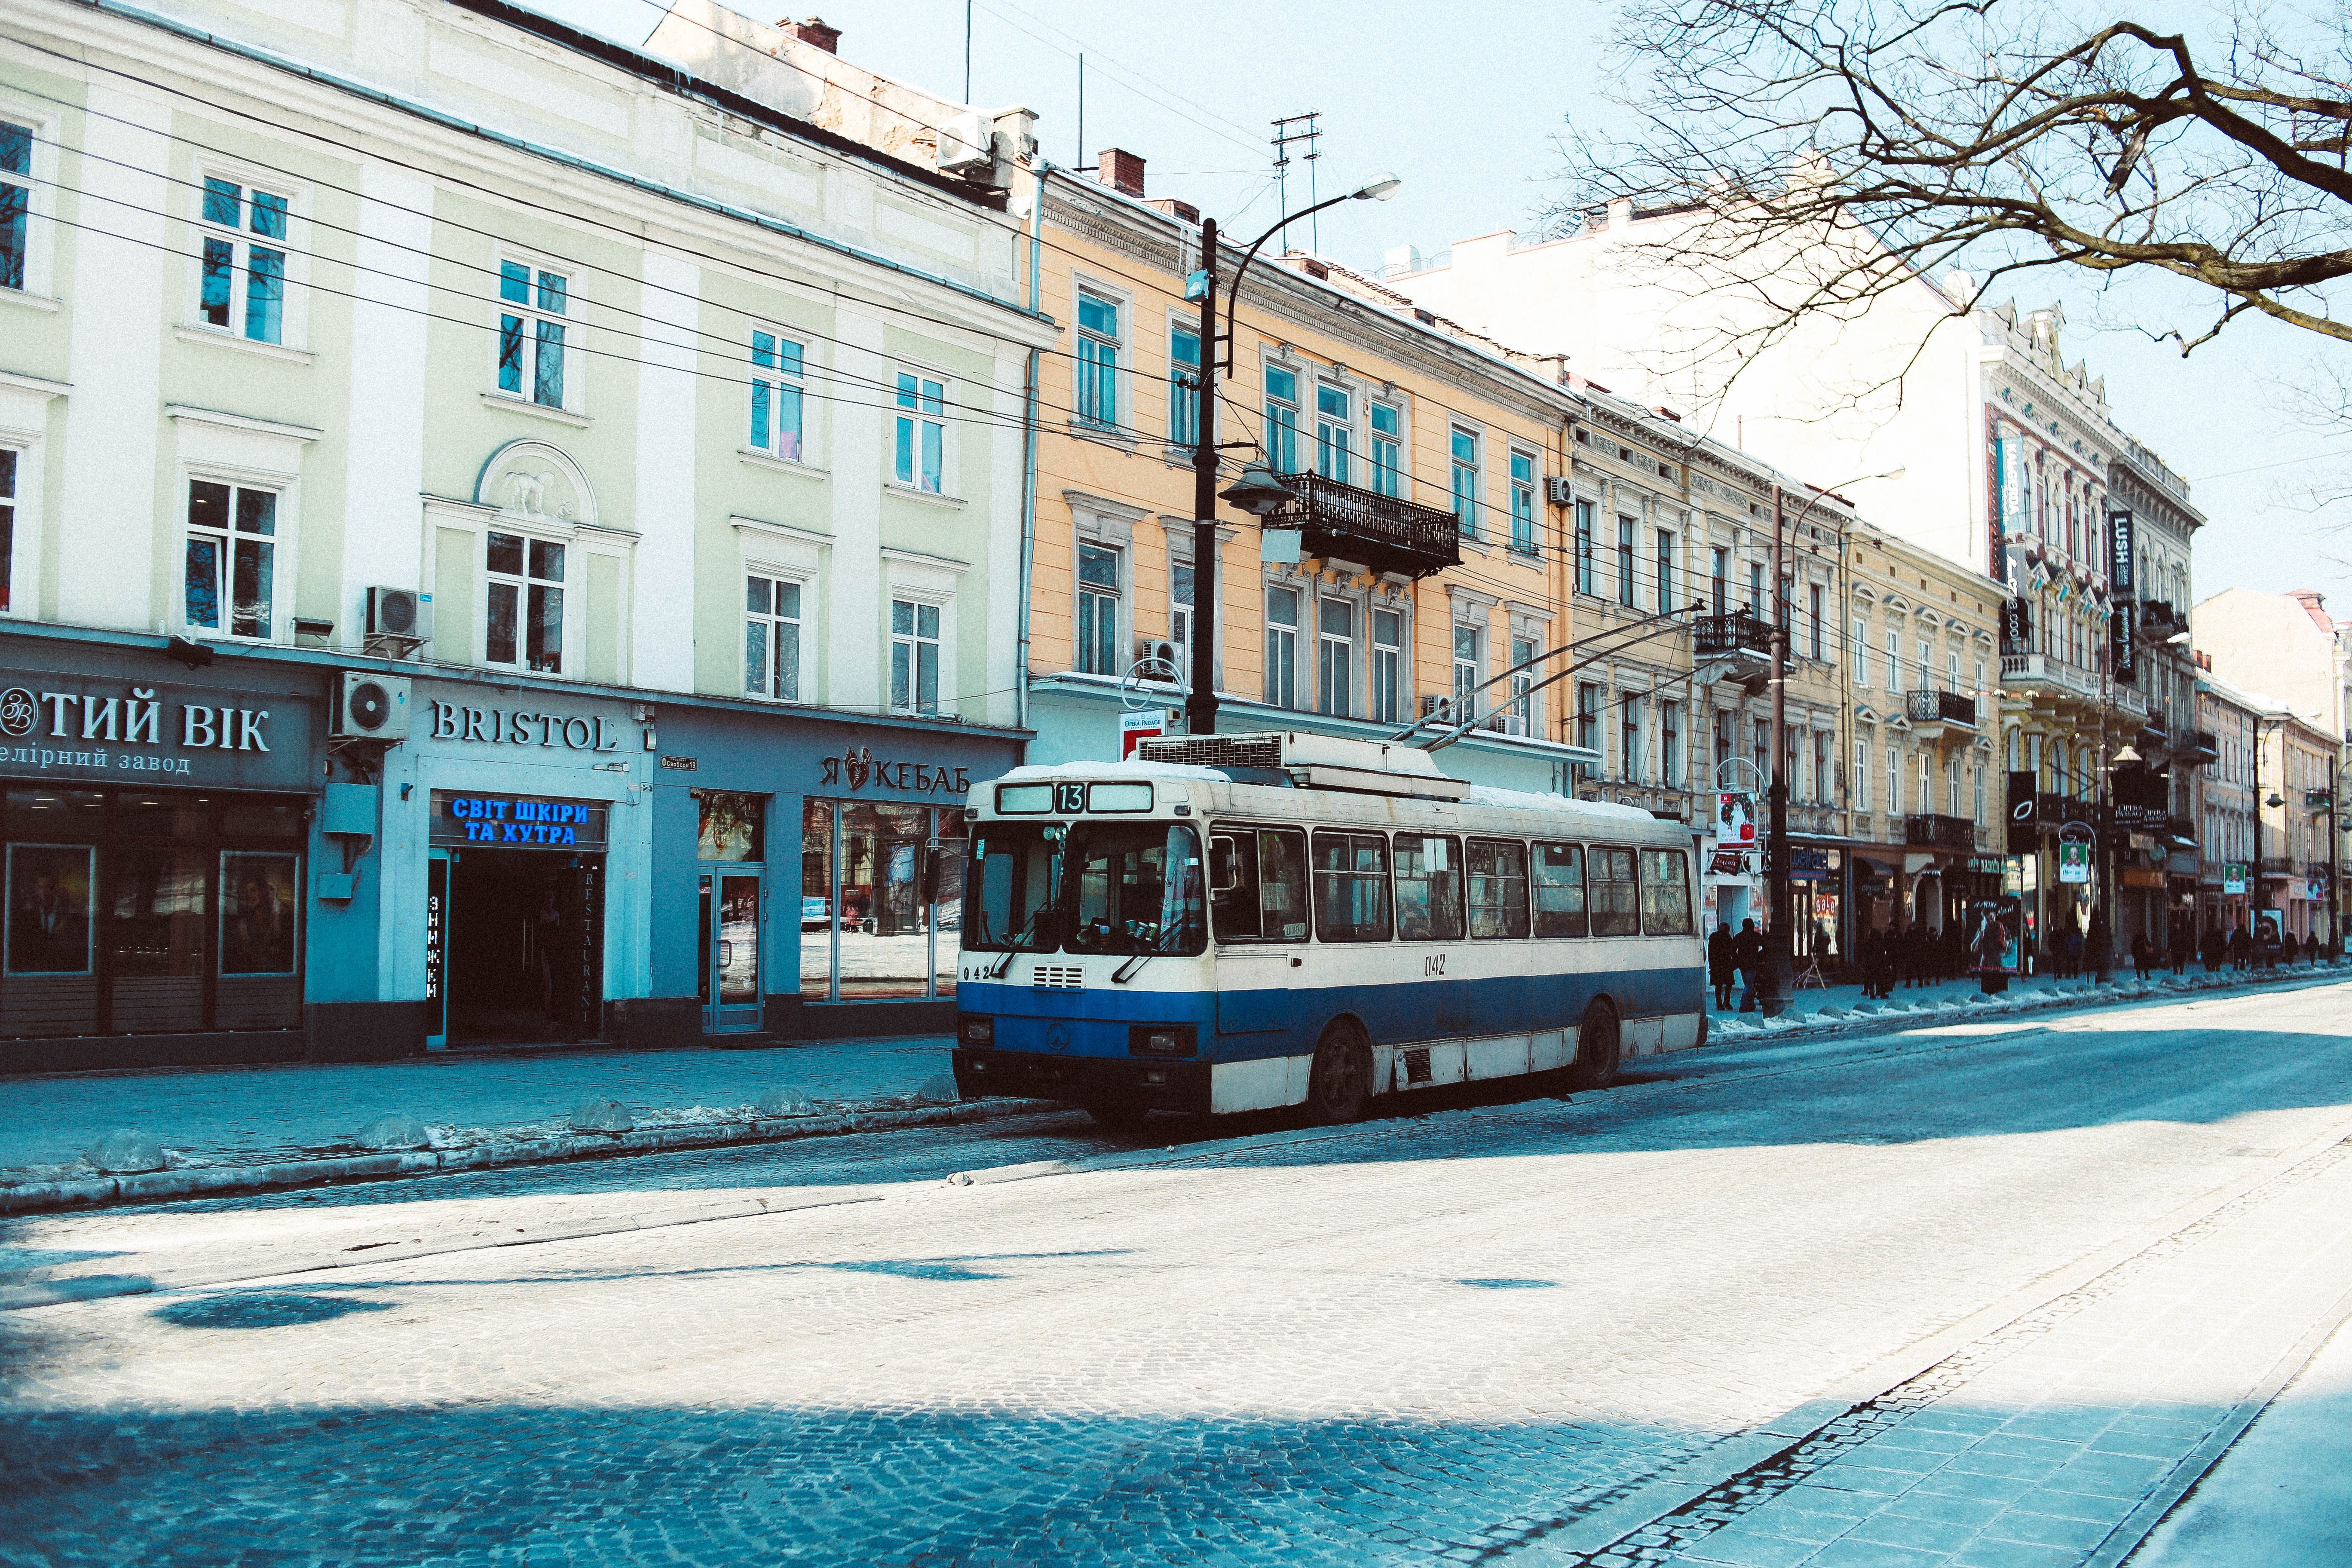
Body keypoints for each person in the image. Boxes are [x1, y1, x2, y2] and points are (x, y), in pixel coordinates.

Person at [1733, 918, 1764, 1012]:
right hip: (1753, 963)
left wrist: (1737, 958)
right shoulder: (1756, 936)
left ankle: (1750, 1005)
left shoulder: (1739, 936)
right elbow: (1765, 945)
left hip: (1742, 964)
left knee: (1748, 983)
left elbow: (1732, 949)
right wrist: (1759, 956)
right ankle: (1743, 1005)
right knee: (1749, 985)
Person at [1708, 921, 1736, 1011]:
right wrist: (1735, 962)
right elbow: (1732, 952)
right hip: (1726, 964)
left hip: (1717, 965)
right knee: (1728, 985)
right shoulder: (1728, 938)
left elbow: (1710, 953)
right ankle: (1726, 1003)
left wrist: (1711, 965)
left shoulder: (1713, 937)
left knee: (1719, 985)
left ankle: (1720, 1004)